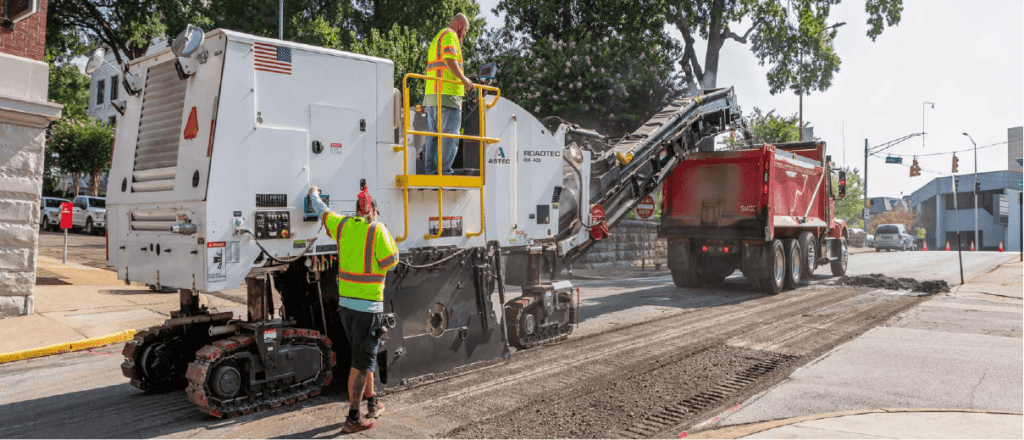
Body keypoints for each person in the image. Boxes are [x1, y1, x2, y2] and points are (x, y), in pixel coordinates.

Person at [307, 183, 399, 433]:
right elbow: (391, 262)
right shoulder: (378, 229)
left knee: (362, 358)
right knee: (360, 364)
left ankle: (372, 403)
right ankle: (353, 418)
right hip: (368, 309)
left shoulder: (343, 225)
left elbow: (322, 210)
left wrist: (313, 193)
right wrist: (384, 232)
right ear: (374, 212)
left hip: (346, 307)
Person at [422, 13, 474, 175]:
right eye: (465, 30)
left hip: (432, 96)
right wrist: (464, 80)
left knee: (433, 137)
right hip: (447, 96)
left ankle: (431, 172)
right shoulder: (450, 35)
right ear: (459, 25)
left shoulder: (439, 36)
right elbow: (449, 60)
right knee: (449, 136)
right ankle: (444, 172)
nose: (464, 34)